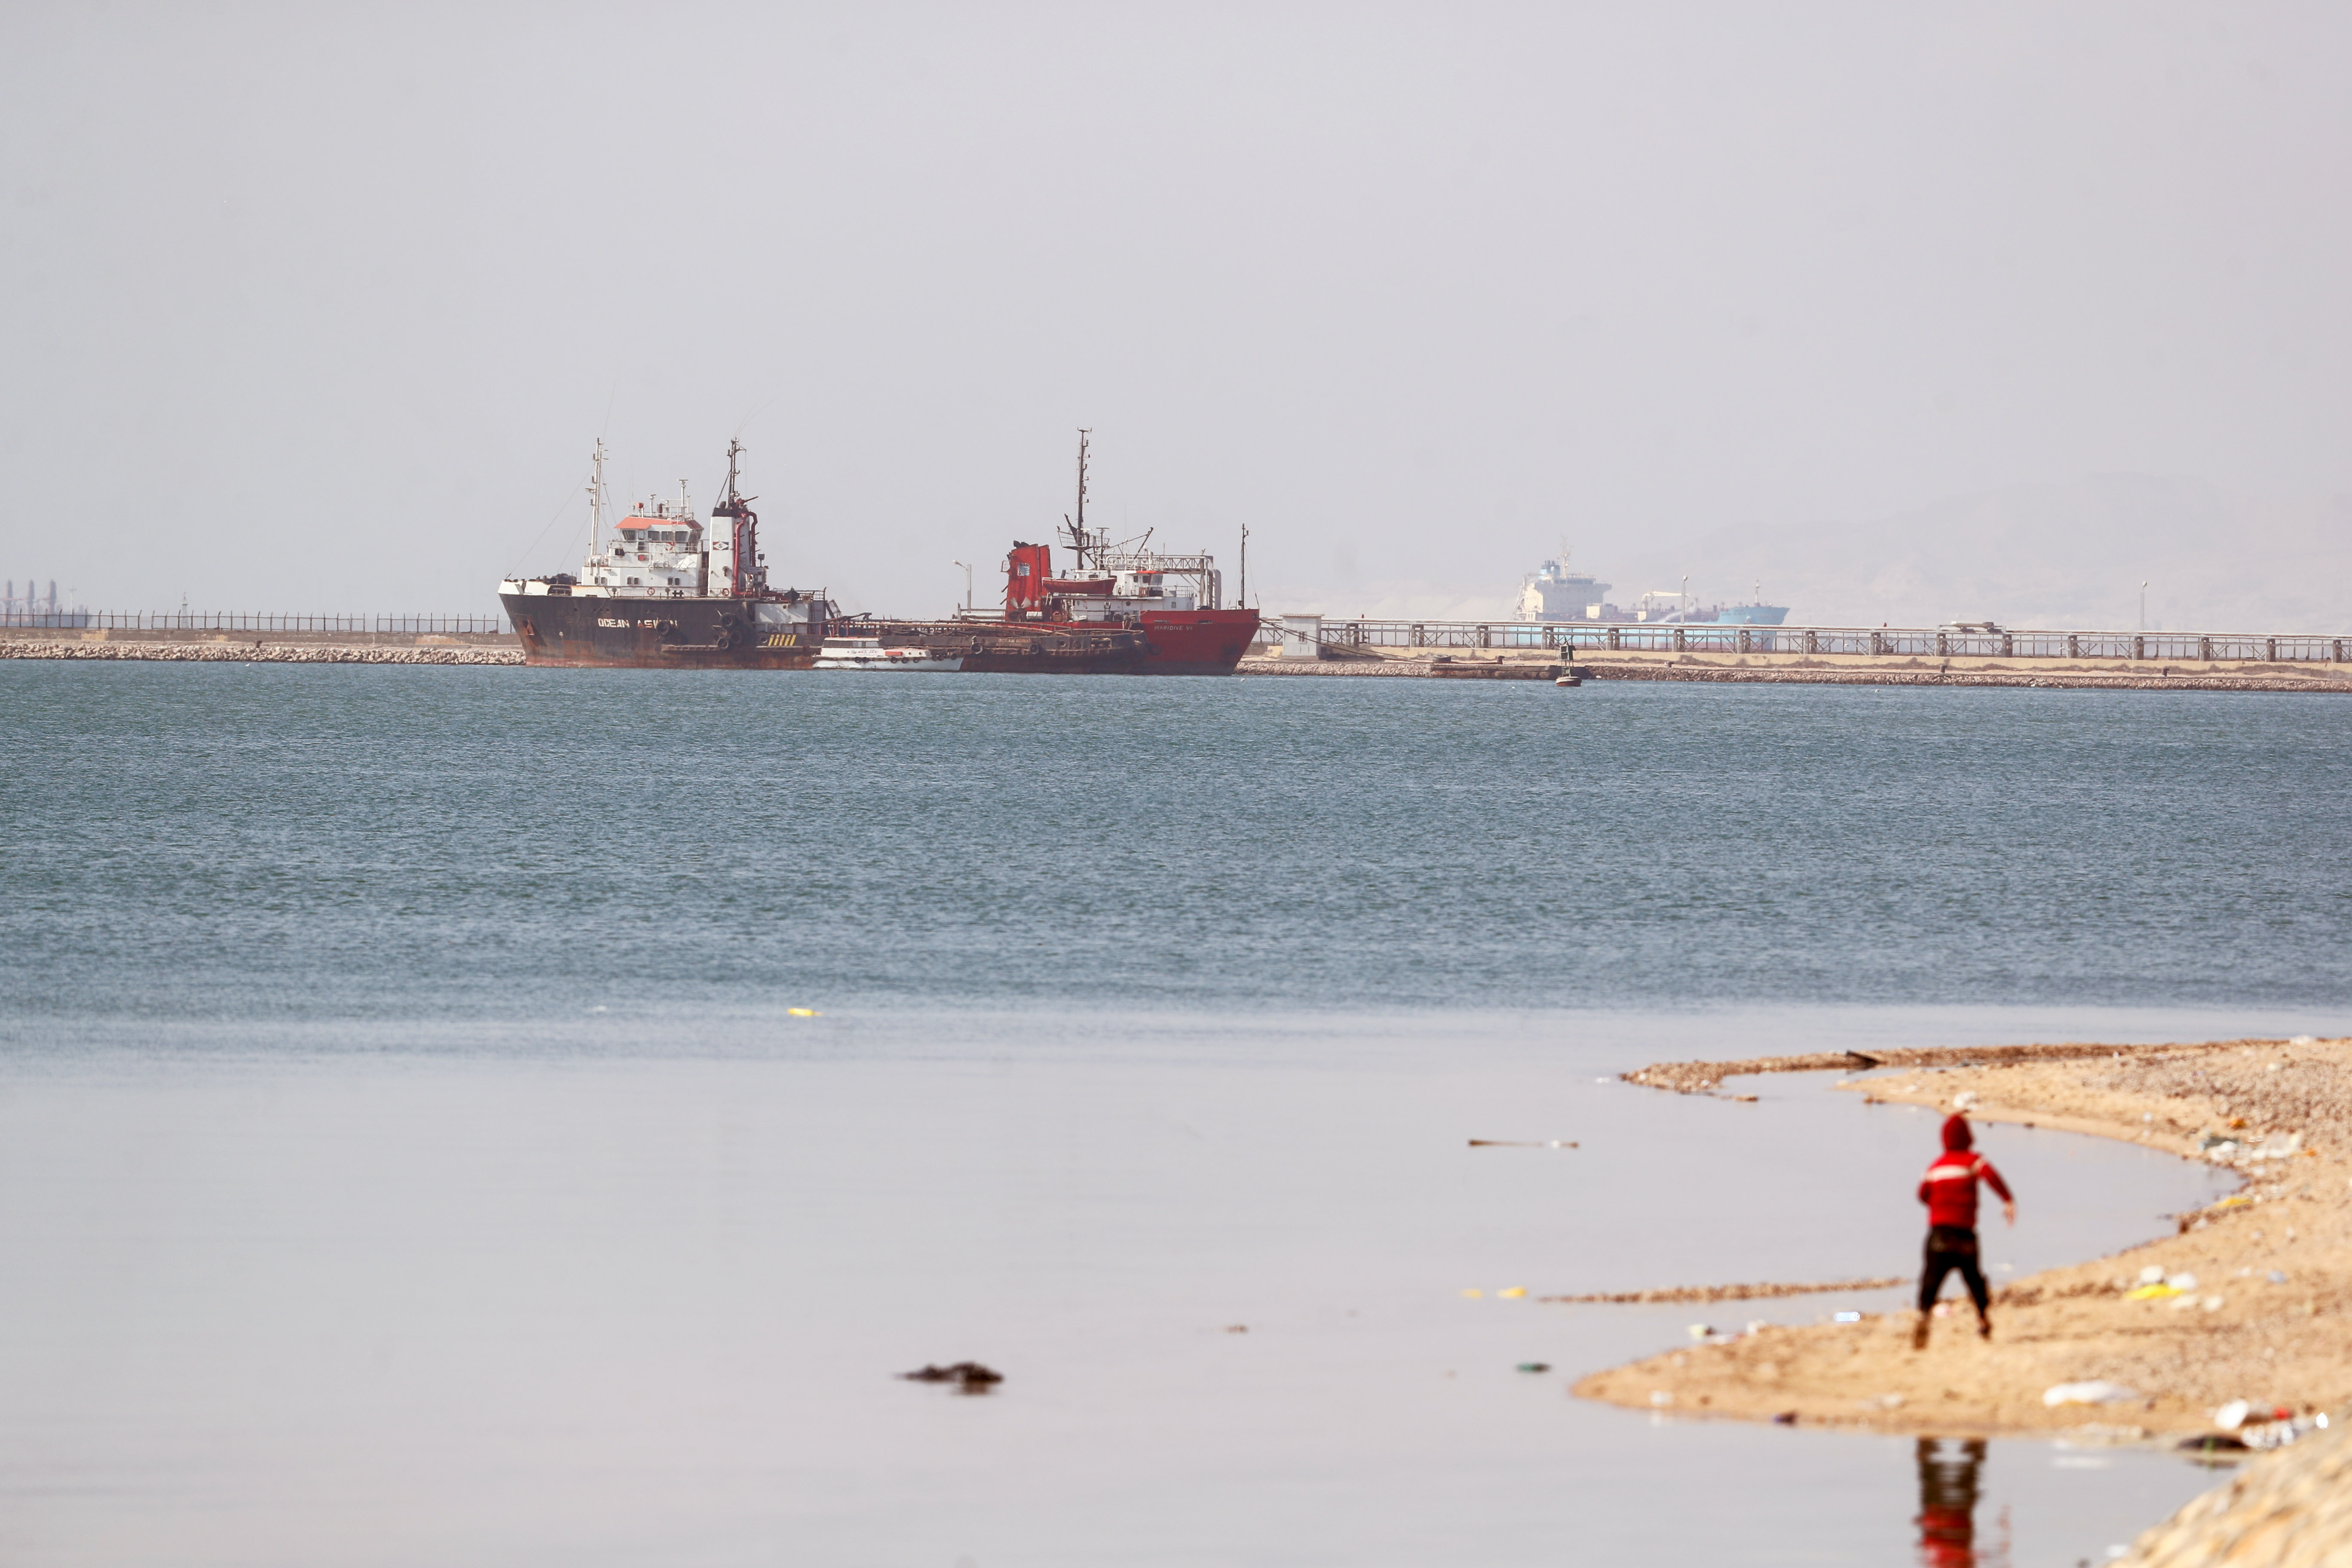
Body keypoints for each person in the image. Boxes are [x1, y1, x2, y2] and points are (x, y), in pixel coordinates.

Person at [1912, 1113, 2015, 1349]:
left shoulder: (1935, 1167)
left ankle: (1924, 1317)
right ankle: (1983, 1319)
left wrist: (1940, 1206)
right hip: (1966, 1235)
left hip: (1940, 1233)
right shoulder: (1973, 1160)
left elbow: (1922, 1195)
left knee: (1931, 1279)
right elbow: (1991, 1177)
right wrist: (2007, 1200)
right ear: (1968, 1137)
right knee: (1974, 1279)